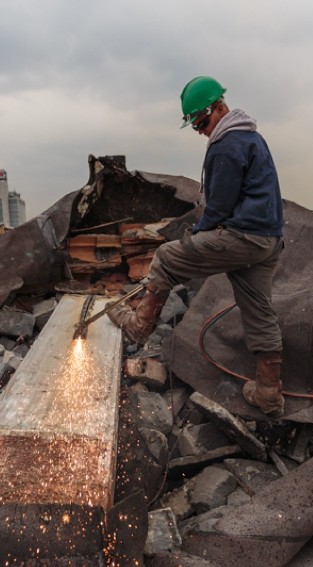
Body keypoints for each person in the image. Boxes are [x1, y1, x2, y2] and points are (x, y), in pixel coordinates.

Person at [108, 76, 286, 416]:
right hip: (268, 239)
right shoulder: (252, 138)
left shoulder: (227, 144)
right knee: (259, 308)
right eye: (195, 126)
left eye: (203, 122)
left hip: (243, 236)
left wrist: (197, 234)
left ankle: (138, 327)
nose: (201, 130)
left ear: (219, 108)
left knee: (167, 257)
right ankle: (268, 391)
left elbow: (218, 208)